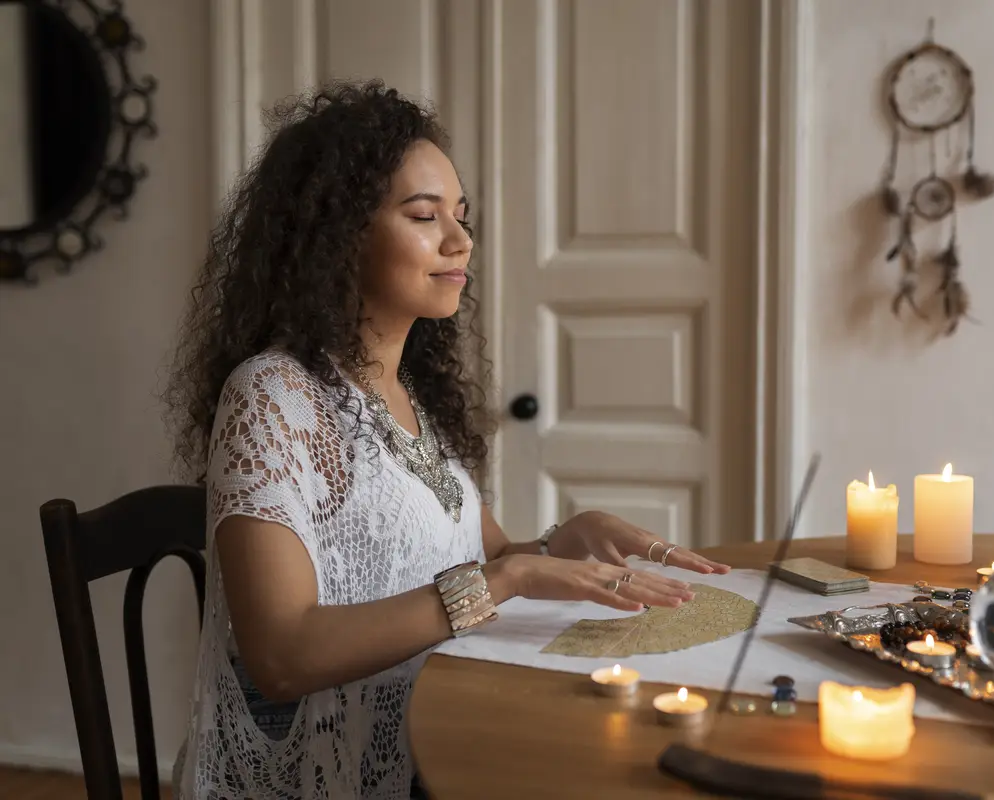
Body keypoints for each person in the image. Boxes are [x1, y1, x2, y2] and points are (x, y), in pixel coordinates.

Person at [164, 81, 730, 799]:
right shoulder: (275, 396)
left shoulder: (408, 396)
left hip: (435, 743)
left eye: (460, 217)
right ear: (337, 235)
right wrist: (508, 578)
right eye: (424, 216)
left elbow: (485, 559)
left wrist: (561, 542)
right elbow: (281, 654)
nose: (460, 241)